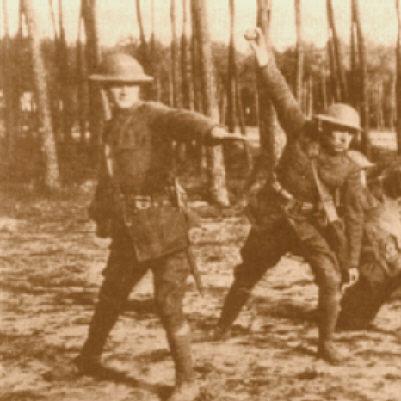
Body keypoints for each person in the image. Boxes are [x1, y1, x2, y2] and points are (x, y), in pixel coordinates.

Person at [75, 52, 240, 401]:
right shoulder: (109, 128)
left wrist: (212, 131)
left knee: (168, 304)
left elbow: (182, 120)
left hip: (165, 228)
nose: (121, 92)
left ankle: (187, 381)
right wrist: (100, 211)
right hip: (129, 230)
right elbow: (109, 178)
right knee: (111, 296)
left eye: (127, 85)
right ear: (106, 90)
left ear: (138, 87)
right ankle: (89, 356)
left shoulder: (153, 114)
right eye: (113, 86)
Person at [212, 28, 365, 365]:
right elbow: (280, 93)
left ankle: (326, 343)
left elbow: (355, 217)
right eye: (337, 131)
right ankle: (223, 325)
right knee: (249, 272)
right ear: (324, 127)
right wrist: (261, 52)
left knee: (330, 277)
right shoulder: (301, 132)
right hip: (273, 218)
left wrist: (352, 261)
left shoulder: (351, 171)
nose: (342, 139)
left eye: (349, 134)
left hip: (309, 226)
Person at [337, 165, 401, 330]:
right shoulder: (366, 198)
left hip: (386, 250)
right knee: (354, 321)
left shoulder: (388, 199)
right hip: (371, 255)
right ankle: (350, 311)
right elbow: (356, 231)